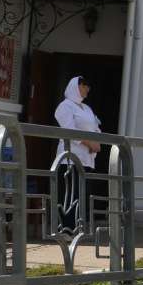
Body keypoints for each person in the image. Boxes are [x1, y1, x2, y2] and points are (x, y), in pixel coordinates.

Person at [50, 76, 102, 231]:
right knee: (69, 194)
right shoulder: (65, 106)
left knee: (82, 194)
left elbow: (96, 128)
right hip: (70, 158)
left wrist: (97, 143)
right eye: (84, 86)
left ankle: (78, 228)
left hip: (87, 158)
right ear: (76, 86)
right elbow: (70, 130)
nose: (87, 89)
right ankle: (65, 228)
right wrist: (89, 143)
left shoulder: (87, 108)